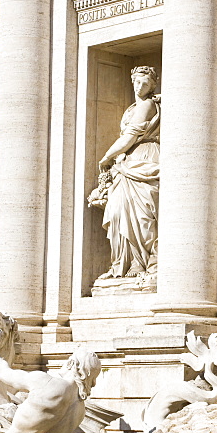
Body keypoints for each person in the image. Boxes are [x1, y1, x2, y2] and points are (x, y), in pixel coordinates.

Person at [89, 65, 160, 282]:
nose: (140, 87)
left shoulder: (148, 105)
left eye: (145, 83)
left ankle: (144, 262)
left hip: (144, 158)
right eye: (137, 82)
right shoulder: (130, 109)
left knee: (143, 214)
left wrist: (107, 156)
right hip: (126, 162)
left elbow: (130, 136)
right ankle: (123, 262)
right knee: (118, 212)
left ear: (152, 86)